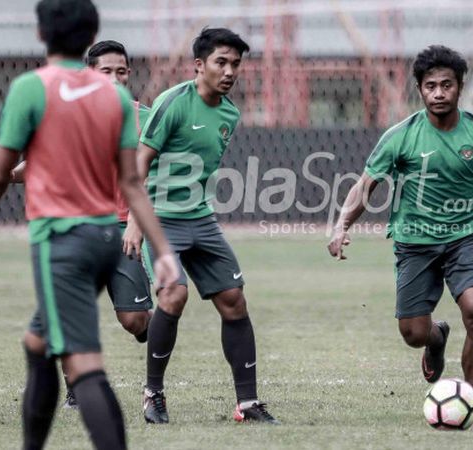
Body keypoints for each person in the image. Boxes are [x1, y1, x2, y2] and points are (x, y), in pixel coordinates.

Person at [0, 1, 178, 448]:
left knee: (84, 363)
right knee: (37, 344)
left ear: (40, 34)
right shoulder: (114, 98)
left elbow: (0, 173)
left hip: (62, 242)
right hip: (104, 239)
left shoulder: (31, 88)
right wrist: (164, 251)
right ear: (90, 34)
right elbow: (132, 182)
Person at [328, 45, 473, 417]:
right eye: (431, 86)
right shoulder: (400, 136)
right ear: (420, 89)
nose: (439, 93)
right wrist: (341, 226)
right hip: (413, 244)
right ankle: (436, 339)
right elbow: (365, 185)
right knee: (413, 334)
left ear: (460, 87)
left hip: (462, 240)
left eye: (446, 85)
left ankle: (472, 399)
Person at [130, 27, 279, 425]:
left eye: (235, 64)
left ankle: (247, 404)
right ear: (199, 65)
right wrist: (134, 222)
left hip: (200, 218)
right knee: (173, 295)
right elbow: (139, 167)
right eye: (221, 62)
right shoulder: (172, 103)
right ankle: (153, 395)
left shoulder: (230, 112)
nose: (230, 71)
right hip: (160, 220)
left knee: (234, 300)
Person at [11, 39, 156, 410]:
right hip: (75, 229)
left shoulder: (146, 117)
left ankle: (151, 328)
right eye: (105, 71)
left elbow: (153, 180)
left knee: (136, 320)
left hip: (124, 229)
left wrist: (138, 225)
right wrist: (6, 175)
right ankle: (75, 383)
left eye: (121, 71)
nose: (115, 78)